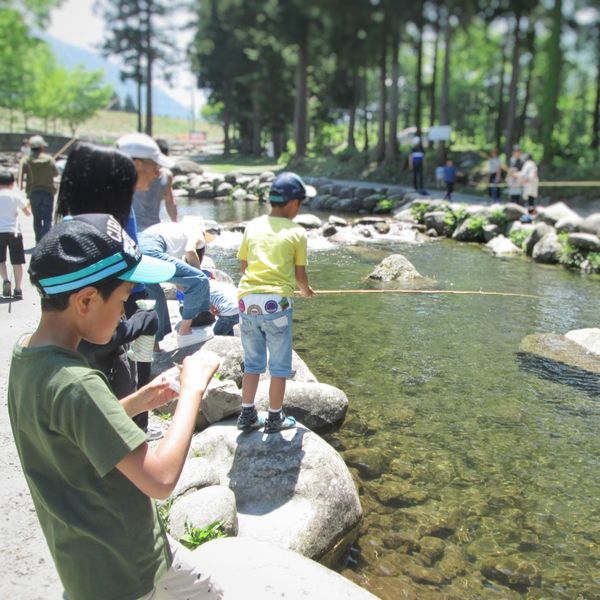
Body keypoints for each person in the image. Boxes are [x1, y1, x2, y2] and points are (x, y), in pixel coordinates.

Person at [8, 213, 223, 600]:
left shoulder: (27, 355)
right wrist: (192, 391)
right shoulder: (78, 382)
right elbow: (159, 480)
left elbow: (71, 427)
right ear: (86, 300)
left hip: (113, 557)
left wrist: (139, 401)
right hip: (122, 572)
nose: (126, 313)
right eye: (123, 299)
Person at [55, 142, 159, 434]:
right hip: (102, 370)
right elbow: (93, 339)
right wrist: (136, 325)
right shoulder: (94, 246)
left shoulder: (67, 237)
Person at [237, 172, 316, 434]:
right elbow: (300, 277)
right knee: (279, 365)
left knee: (252, 363)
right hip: (277, 305)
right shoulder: (297, 232)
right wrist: (305, 291)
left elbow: (244, 266)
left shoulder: (253, 226)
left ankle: (247, 414)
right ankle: (274, 418)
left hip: (247, 301)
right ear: (294, 203)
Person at [139, 217, 213, 348]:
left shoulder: (174, 231)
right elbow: (190, 250)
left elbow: (179, 282)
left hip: (135, 248)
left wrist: (184, 288)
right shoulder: (196, 231)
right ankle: (185, 332)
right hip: (151, 249)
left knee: (156, 298)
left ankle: (154, 347)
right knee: (200, 280)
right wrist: (199, 274)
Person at [131, 138, 178, 232]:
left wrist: (175, 223)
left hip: (153, 228)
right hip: (136, 228)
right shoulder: (135, 173)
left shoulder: (166, 175)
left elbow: (170, 201)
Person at [19, 135, 58, 243]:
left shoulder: (26, 160)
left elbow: (20, 177)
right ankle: (45, 241)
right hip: (48, 192)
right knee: (47, 218)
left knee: (37, 218)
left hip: (33, 192)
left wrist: (20, 191)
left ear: (30, 147)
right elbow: (56, 173)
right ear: (42, 147)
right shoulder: (49, 159)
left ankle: (38, 240)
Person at [0, 169, 30, 299]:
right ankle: (18, 289)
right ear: (12, 183)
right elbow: (27, 213)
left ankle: (6, 279)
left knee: (1, 260)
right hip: (14, 232)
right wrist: (17, 212)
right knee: (17, 262)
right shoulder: (16, 196)